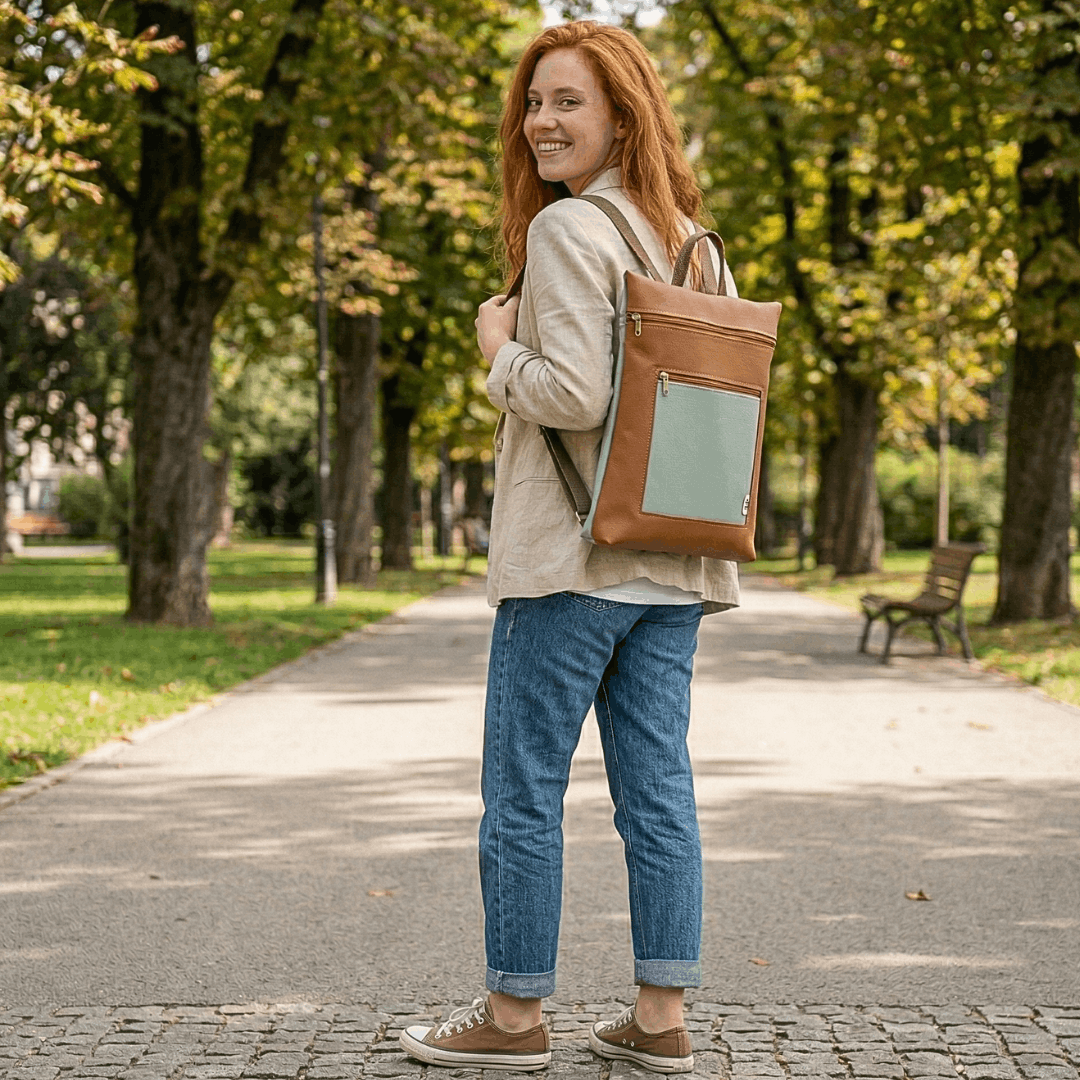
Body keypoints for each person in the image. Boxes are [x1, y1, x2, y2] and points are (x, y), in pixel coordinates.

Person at [400, 20, 739, 1075]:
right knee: (658, 792)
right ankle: (660, 1016)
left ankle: (510, 1020)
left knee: (523, 788)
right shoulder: (688, 236)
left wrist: (497, 353)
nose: (541, 122)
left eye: (566, 103)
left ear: (620, 117)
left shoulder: (568, 233)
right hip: (674, 559)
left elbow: (574, 396)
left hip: (574, 564)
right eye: (534, 104)